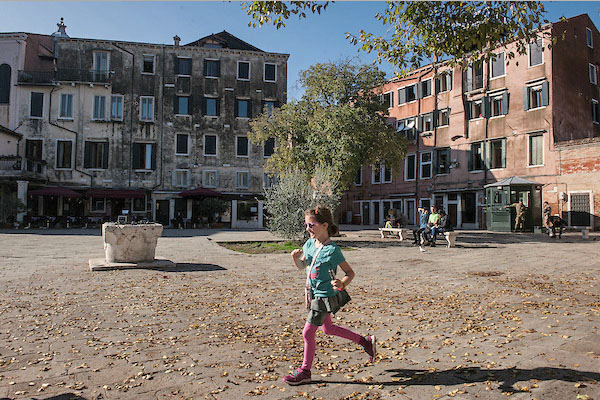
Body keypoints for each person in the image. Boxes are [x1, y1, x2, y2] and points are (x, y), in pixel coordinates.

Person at [284, 206, 376, 386]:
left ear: (325, 225)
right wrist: (295, 259)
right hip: (312, 294)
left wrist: (342, 283)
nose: (308, 228)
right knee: (328, 329)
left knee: (308, 333)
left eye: (311, 225)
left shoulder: (332, 250)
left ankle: (305, 371)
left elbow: (349, 272)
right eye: (306, 225)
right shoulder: (309, 244)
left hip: (324, 297)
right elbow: (303, 266)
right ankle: (365, 342)